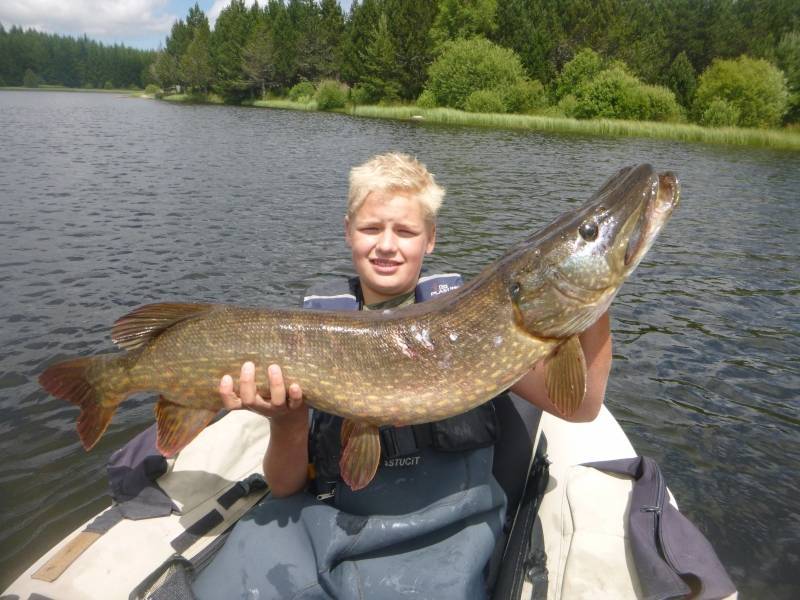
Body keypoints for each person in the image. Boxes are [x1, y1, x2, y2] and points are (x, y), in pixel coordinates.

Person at [191, 153, 611, 599]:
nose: (387, 245)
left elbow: (581, 407)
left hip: (449, 532)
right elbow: (285, 486)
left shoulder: (482, 324)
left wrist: (594, 303)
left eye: (406, 231)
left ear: (430, 239)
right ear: (348, 231)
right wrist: (286, 421)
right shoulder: (312, 337)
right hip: (333, 524)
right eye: (372, 228)